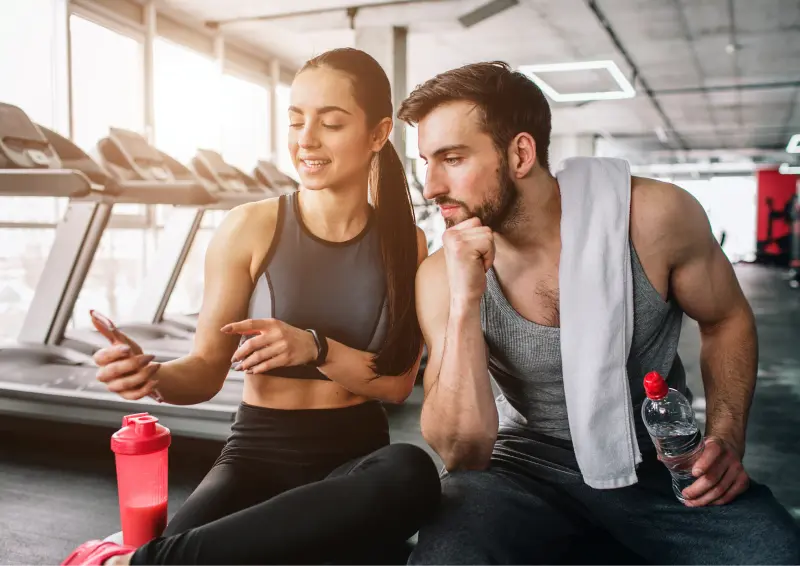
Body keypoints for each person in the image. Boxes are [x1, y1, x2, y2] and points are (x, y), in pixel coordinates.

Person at [398, 61, 800, 565]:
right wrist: (464, 302)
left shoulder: (653, 218)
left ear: (520, 153)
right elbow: (464, 454)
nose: (431, 185)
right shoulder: (441, 274)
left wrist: (726, 435)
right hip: (521, 468)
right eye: (426, 162)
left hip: (656, 459)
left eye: (452, 158)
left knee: (776, 554)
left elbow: (726, 318)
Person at [62, 47, 440, 566]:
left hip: (354, 464)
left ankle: (131, 563)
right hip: (258, 455)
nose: (306, 139)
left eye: (330, 123)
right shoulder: (250, 227)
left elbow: (396, 385)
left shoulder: (408, 245)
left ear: (378, 135)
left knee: (410, 471)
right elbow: (203, 372)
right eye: (295, 120)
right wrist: (152, 375)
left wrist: (313, 347)